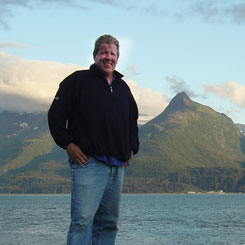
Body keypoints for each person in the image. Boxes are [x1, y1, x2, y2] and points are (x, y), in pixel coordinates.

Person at [48, 34, 139, 244]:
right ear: (95, 55)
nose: (109, 57)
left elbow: (131, 120)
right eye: (104, 52)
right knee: (82, 221)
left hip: (116, 167)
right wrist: (68, 144)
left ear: (118, 58)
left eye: (113, 53)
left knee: (109, 222)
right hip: (88, 163)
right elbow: (55, 115)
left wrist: (131, 148)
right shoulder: (77, 81)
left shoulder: (123, 88)